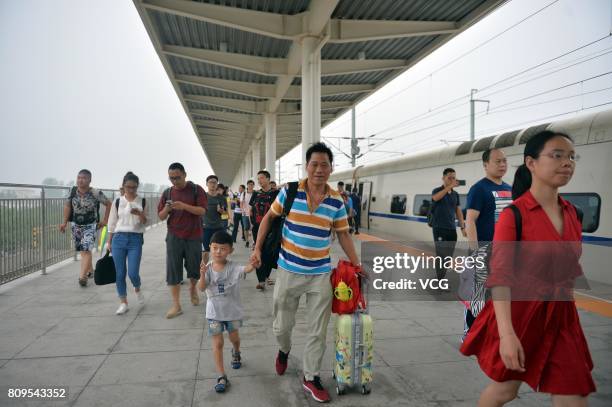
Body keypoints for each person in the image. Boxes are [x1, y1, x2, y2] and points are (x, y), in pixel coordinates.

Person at [460, 130, 595, 406]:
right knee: (505, 391)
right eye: (557, 155)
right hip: (522, 316)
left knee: (573, 391)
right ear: (531, 163)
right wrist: (507, 335)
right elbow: (500, 278)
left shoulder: (573, 214)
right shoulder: (515, 215)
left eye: (571, 156)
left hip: (561, 317)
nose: (567, 162)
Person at [250, 142, 361, 403]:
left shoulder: (336, 200)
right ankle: (284, 349)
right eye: (314, 164)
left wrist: (356, 264)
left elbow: (343, 234)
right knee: (282, 326)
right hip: (288, 270)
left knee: (318, 330)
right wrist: (256, 249)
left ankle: (310, 376)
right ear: (307, 166)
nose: (319, 169)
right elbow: (267, 219)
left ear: (331, 169)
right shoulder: (289, 192)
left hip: (320, 274)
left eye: (324, 165)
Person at [198, 231, 254, 393]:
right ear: (210, 248)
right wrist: (202, 275)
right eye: (215, 248)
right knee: (218, 343)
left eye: (222, 248)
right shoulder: (207, 269)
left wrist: (253, 264)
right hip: (214, 314)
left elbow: (247, 269)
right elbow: (201, 288)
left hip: (232, 313)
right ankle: (222, 375)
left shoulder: (233, 267)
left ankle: (236, 351)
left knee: (234, 338)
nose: (218, 252)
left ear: (230, 250)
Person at [464, 149, 512, 333]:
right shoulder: (479, 189)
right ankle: (471, 333)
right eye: (498, 161)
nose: (502, 165)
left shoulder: (509, 189)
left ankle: (492, 330)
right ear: (485, 165)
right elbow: (470, 221)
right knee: (478, 296)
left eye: (505, 161)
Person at [158, 163, 207, 319]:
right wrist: (168, 208)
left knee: (194, 269)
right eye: (171, 178)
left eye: (177, 177)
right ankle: (176, 305)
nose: (174, 181)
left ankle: (192, 288)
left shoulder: (196, 189)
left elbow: (202, 210)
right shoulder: (167, 193)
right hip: (174, 236)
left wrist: (184, 206)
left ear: (185, 174)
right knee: (173, 270)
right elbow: (160, 216)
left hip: (193, 235)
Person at [59, 169, 111, 287]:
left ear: (89, 180)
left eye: (83, 178)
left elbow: (109, 204)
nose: (80, 180)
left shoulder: (95, 193)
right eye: (78, 178)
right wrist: (64, 222)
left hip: (91, 225)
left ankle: (82, 277)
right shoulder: (72, 192)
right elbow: (67, 206)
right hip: (76, 225)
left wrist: (105, 221)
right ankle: (90, 271)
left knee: (86, 250)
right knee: (83, 251)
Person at [107, 172, 147, 315]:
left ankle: (137, 288)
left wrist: (140, 214)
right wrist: (109, 241)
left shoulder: (142, 200)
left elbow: (145, 222)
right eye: (128, 187)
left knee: (133, 273)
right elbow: (112, 222)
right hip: (119, 238)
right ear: (123, 186)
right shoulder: (117, 201)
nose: (131, 190)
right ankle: (123, 302)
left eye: (134, 187)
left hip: (135, 238)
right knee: (120, 273)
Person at [431, 168, 467, 281]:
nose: (452, 180)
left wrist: (462, 227)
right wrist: (449, 187)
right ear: (443, 178)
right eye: (449, 177)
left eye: (454, 178)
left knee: (448, 256)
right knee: (441, 255)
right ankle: (440, 280)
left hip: (451, 229)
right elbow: (435, 198)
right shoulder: (436, 190)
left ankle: (441, 277)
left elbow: (458, 211)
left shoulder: (455, 194)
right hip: (439, 228)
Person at [249, 170, 279, 290]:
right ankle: (261, 281)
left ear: (267, 179)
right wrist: (252, 225)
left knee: (270, 254)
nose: (259, 181)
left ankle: (266, 276)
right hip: (258, 228)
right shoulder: (256, 194)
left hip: (273, 229)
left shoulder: (276, 193)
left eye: (261, 178)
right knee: (259, 251)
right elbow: (251, 210)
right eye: (258, 179)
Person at [202, 175, 227, 266]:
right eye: (210, 182)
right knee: (205, 252)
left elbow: (225, 212)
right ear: (207, 184)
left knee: (219, 251)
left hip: (218, 227)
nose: (212, 184)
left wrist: (221, 211)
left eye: (215, 182)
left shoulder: (221, 198)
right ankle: (203, 272)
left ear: (217, 184)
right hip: (205, 227)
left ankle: (218, 271)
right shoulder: (203, 196)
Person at [240, 180, 255, 248]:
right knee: (246, 228)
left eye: (252, 184)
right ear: (247, 185)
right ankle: (247, 241)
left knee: (253, 228)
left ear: (253, 185)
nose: (250, 186)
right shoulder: (244, 194)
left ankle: (254, 242)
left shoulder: (256, 193)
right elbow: (241, 203)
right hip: (245, 214)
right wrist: (242, 210)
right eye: (249, 184)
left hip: (253, 214)